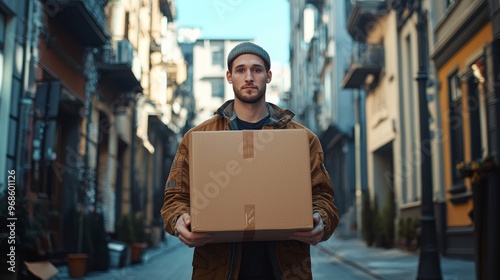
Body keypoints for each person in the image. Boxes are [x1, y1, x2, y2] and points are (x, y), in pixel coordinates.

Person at [161, 41, 340, 280]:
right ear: (229, 76)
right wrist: (180, 221)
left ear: (268, 76)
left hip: (285, 271)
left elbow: (323, 197)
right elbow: (175, 198)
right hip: (216, 271)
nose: (248, 77)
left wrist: (321, 220)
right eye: (240, 70)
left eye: (256, 70)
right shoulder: (198, 138)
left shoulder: (301, 139)